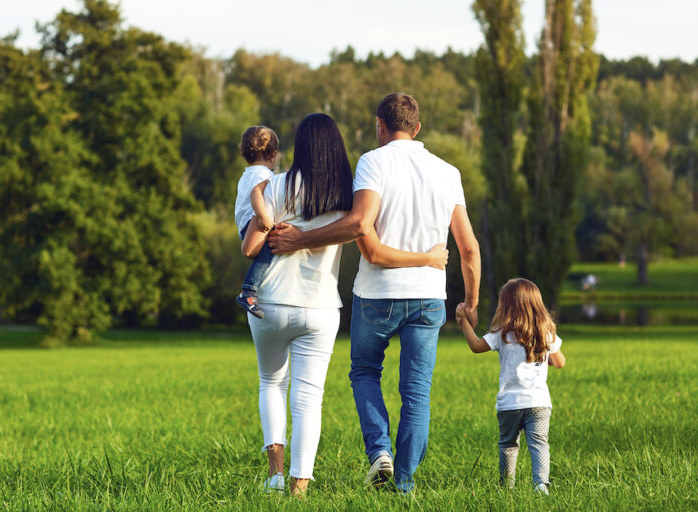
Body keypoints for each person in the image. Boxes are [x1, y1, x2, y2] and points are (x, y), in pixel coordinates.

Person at [267, 93, 481, 493]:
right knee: (416, 392)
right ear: (417, 128)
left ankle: (380, 453)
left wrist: (300, 239)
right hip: (429, 297)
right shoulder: (447, 171)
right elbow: (468, 247)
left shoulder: (373, 162)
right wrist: (471, 302)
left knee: (365, 371)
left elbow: (360, 224)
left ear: (380, 125)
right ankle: (403, 484)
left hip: (377, 295)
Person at [455, 278, 566, 495]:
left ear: (505, 305)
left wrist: (464, 322)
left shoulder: (502, 332)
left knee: (508, 445)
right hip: (539, 403)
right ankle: (541, 486)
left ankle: (507, 488)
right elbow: (560, 362)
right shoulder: (546, 332)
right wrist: (544, 356)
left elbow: (476, 347)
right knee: (539, 444)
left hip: (509, 404)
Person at [234, 126, 279, 319]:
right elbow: (257, 195)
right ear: (273, 154)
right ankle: (249, 290)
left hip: (244, 226)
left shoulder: (247, 174)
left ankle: (252, 290)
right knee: (271, 247)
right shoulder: (264, 175)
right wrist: (262, 216)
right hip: (254, 223)